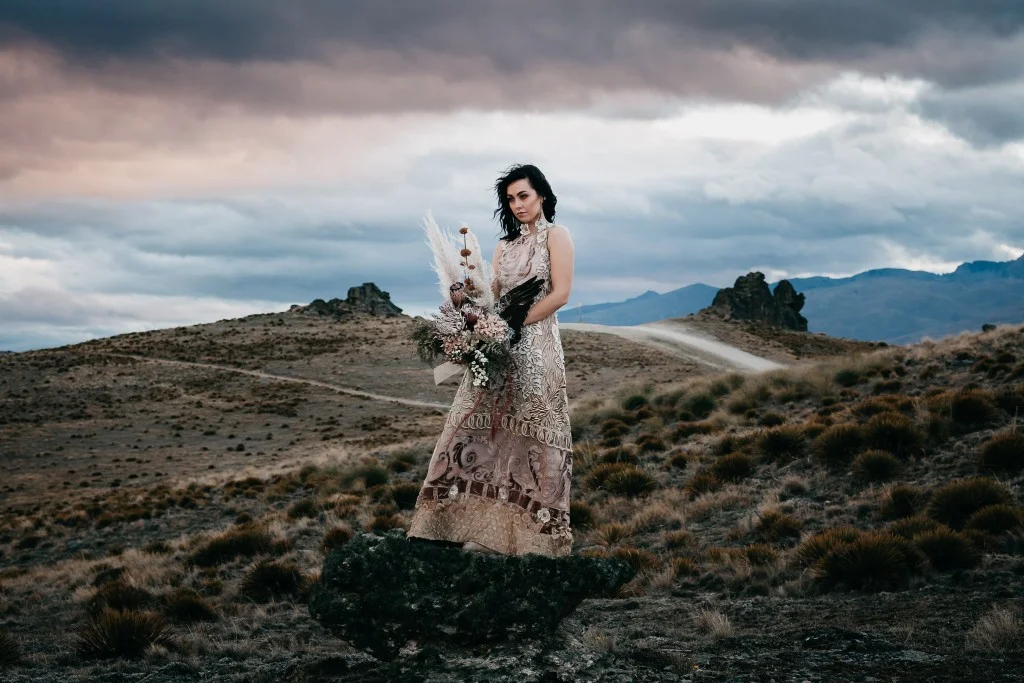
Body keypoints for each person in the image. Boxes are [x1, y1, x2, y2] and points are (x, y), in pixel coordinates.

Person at [407, 163, 575, 556]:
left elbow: (561, 293)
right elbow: (495, 297)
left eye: (524, 196)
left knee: (532, 437)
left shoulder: (557, 236)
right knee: (473, 427)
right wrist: (470, 313)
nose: (517, 204)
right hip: (498, 349)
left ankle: (535, 538)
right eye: (511, 199)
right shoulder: (503, 247)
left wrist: (514, 325)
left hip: (538, 349)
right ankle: (455, 524)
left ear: (542, 196)